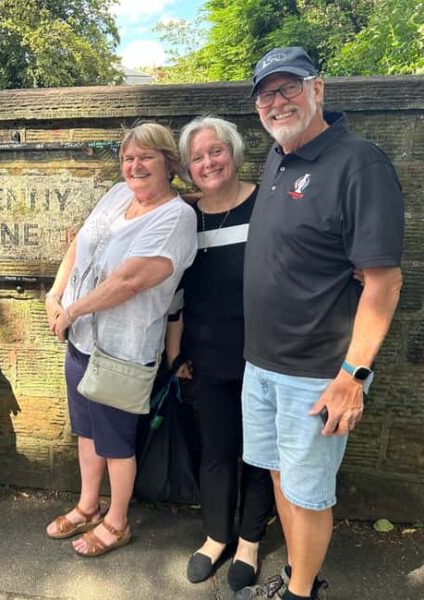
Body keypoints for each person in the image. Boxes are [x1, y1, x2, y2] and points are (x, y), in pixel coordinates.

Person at [236, 47, 404, 600]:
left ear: (319, 89)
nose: (276, 102)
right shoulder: (278, 156)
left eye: (288, 88)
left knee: (308, 494)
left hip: (318, 373)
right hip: (262, 363)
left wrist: (352, 375)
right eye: (266, 94)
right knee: (283, 479)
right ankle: (297, 579)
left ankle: (300, 593)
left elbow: (383, 281)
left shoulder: (360, 163)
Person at [44, 122, 197, 557]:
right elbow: (80, 246)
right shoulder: (116, 195)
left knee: (116, 442)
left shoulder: (176, 216)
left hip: (121, 350)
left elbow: (129, 281)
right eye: (128, 157)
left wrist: (72, 310)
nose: (135, 165)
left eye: (146, 157)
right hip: (81, 341)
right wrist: (56, 296)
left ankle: (117, 521)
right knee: (88, 433)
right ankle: (88, 506)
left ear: (169, 163)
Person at [166, 116, 274, 592]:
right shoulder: (184, 216)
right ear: (188, 169)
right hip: (205, 355)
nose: (208, 162)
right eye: (197, 157)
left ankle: (250, 540)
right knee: (215, 449)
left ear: (234, 152)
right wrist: (175, 355)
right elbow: (172, 290)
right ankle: (216, 535)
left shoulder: (267, 203)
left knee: (257, 453)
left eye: (217, 151)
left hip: (266, 353)